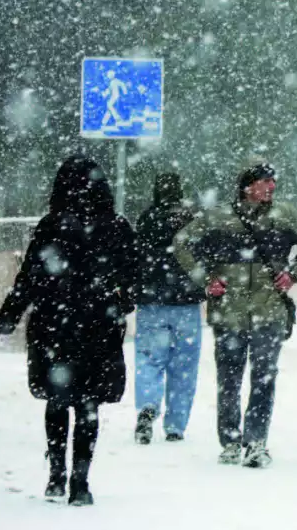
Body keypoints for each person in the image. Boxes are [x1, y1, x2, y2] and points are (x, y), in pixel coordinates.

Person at [0, 156, 138, 506]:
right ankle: (80, 482)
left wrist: (9, 316)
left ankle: (56, 475)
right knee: (88, 404)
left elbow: (28, 277)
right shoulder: (116, 226)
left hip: (54, 326)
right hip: (97, 327)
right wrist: (120, 302)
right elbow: (134, 275)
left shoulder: (51, 225)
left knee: (58, 400)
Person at [174, 159, 297, 468]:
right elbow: (181, 242)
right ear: (247, 186)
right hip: (228, 313)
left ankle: (256, 442)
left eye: (273, 182)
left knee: (263, 378)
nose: (271, 186)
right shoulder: (218, 217)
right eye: (264, 181)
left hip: (268, 312)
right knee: (229, 379)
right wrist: (205, 279)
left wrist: (294, 274)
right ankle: (230, 441)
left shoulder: (284, 215)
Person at [133, 172, 202, 445]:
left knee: (149, 358)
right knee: (183, 365)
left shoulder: (146, 219)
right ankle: (176, 424)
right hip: (186, 303)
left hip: (152, 302)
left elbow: (136, 256)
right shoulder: (191, 220)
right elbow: (203, 254)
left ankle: (147, 406)